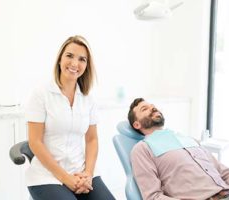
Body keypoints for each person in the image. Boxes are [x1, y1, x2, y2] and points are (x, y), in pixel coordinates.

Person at [25, 35, 115, 200]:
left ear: (86, 66)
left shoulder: (88, 98)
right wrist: (66, 178)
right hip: (46, 176)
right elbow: (35, 142)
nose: (75, 63)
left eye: (82, 59)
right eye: (69, 56)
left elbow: (92, 139)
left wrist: (87, 174)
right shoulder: (41, 93)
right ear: (60, 60)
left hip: (80, 172)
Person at [128, 98, 229, 200]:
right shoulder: (142, 149)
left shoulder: (189, 139)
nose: (153, 108)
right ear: (137, 124)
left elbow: (223, 172)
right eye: (145, 109)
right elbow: (153, 197)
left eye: (153, 106)